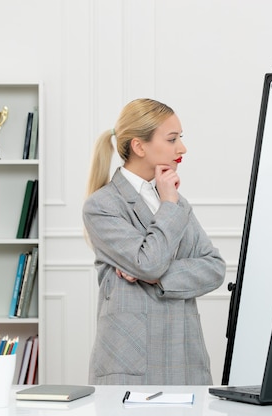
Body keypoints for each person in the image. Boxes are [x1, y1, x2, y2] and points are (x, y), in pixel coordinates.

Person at [83, 98, 226, 385]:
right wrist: (148, 267)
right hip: (132, 367)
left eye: (180, 139)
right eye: (172, 139)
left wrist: (156, 279)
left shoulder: (175, 201)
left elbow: (214, 268)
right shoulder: (102, 206)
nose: (182, 148)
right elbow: (149, 263)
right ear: (139, 146)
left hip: (186, 361)